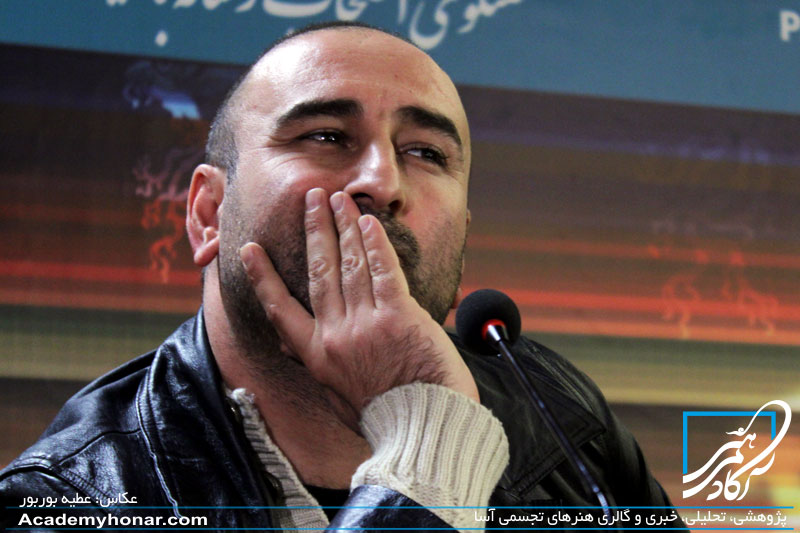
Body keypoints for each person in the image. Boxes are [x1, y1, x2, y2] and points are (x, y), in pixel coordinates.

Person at [0, 22, 684, 531]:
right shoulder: (67, 498)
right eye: (326, 136)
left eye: (426, 152)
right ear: (209, 215)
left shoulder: (561, 413)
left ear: (465, 234)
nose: (382, 182)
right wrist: (429, 445)